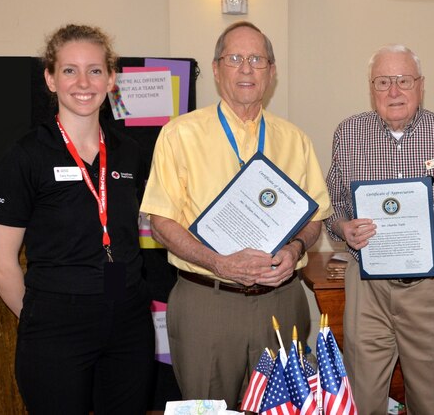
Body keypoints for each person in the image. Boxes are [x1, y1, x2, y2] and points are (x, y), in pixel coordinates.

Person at [139, 21, 332, 408]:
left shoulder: (294, 139)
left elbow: (316, 217)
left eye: (258, 59)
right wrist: (218, 262)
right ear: (215, 68)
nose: (247, 68)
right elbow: (160, 221)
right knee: (208, 406)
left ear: (272, 72)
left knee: (285, 407)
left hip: (281, 299)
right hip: (207, 300)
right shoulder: (180, 134)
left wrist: (295, 250)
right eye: (235, 58)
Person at [0, 24, 154, 414]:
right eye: (69, 70)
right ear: (49, 78)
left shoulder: (128, 152)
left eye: (95, 70)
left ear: (111, 79)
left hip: (127, 316)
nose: (84, 82)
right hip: (56, 323)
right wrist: (39, 317)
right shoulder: (26, 156)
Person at [325, 44, 434, 414]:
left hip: (432, 292)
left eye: (403, 80)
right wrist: (343, 228)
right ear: (371, 87)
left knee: (432, 401)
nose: (394, 91)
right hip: (368, 292)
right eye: (383, 82)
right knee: (361, 400)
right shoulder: (348, 135)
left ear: (421, 85)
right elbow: (330, 208)